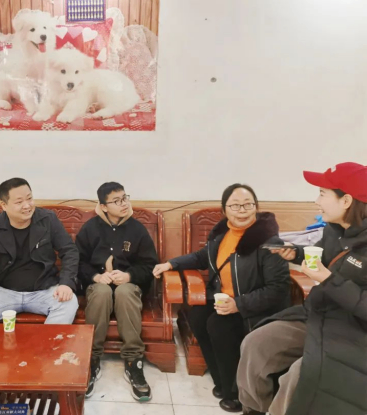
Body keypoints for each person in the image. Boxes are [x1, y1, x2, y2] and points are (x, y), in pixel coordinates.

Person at [237, 162, 367, 415]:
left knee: (300, 376)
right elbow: (324, 258)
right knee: (256, 344)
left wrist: (328, 280)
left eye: (322, 194)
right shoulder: (335, 231)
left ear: (346, 201)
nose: (316, 201)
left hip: (354, 331)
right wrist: (296, 253)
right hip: (317, 315)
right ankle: (254, 409)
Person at [153, 184, 291, 413]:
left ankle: (236, 394)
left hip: (254, 307)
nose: (242, 210)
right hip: (224, 298)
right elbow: (202, 257)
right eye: (235, 206)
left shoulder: (269, 242)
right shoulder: (222, 234)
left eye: (248, 205)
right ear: (224, 210)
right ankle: (222, 380)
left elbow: (278, 289)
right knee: (197, 317)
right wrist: (171, 263)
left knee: (219, 325)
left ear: (256, 207)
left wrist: (238, 304)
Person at [76, 182, 158, 401]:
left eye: (125, 198)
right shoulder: (90, 228)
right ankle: (92, 358)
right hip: (99, 284)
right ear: (103, 206)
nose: (124, 204)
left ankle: (133, 360)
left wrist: (129, 276)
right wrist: (96, 277)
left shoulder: (137, 229)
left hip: (129, 286)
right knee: (101, 292)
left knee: (125, 292)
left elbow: (150, 265)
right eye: (117, 201)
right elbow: (77, 262)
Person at [0, 178, 79, 325]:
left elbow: (69, 251)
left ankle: (45, 341)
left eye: (29, 198)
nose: (27, 206)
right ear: (4, 205)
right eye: (19, 202)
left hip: (43, 291)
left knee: (68, 303)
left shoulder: (48, 219)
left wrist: (66, 283)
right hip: (4, 292)